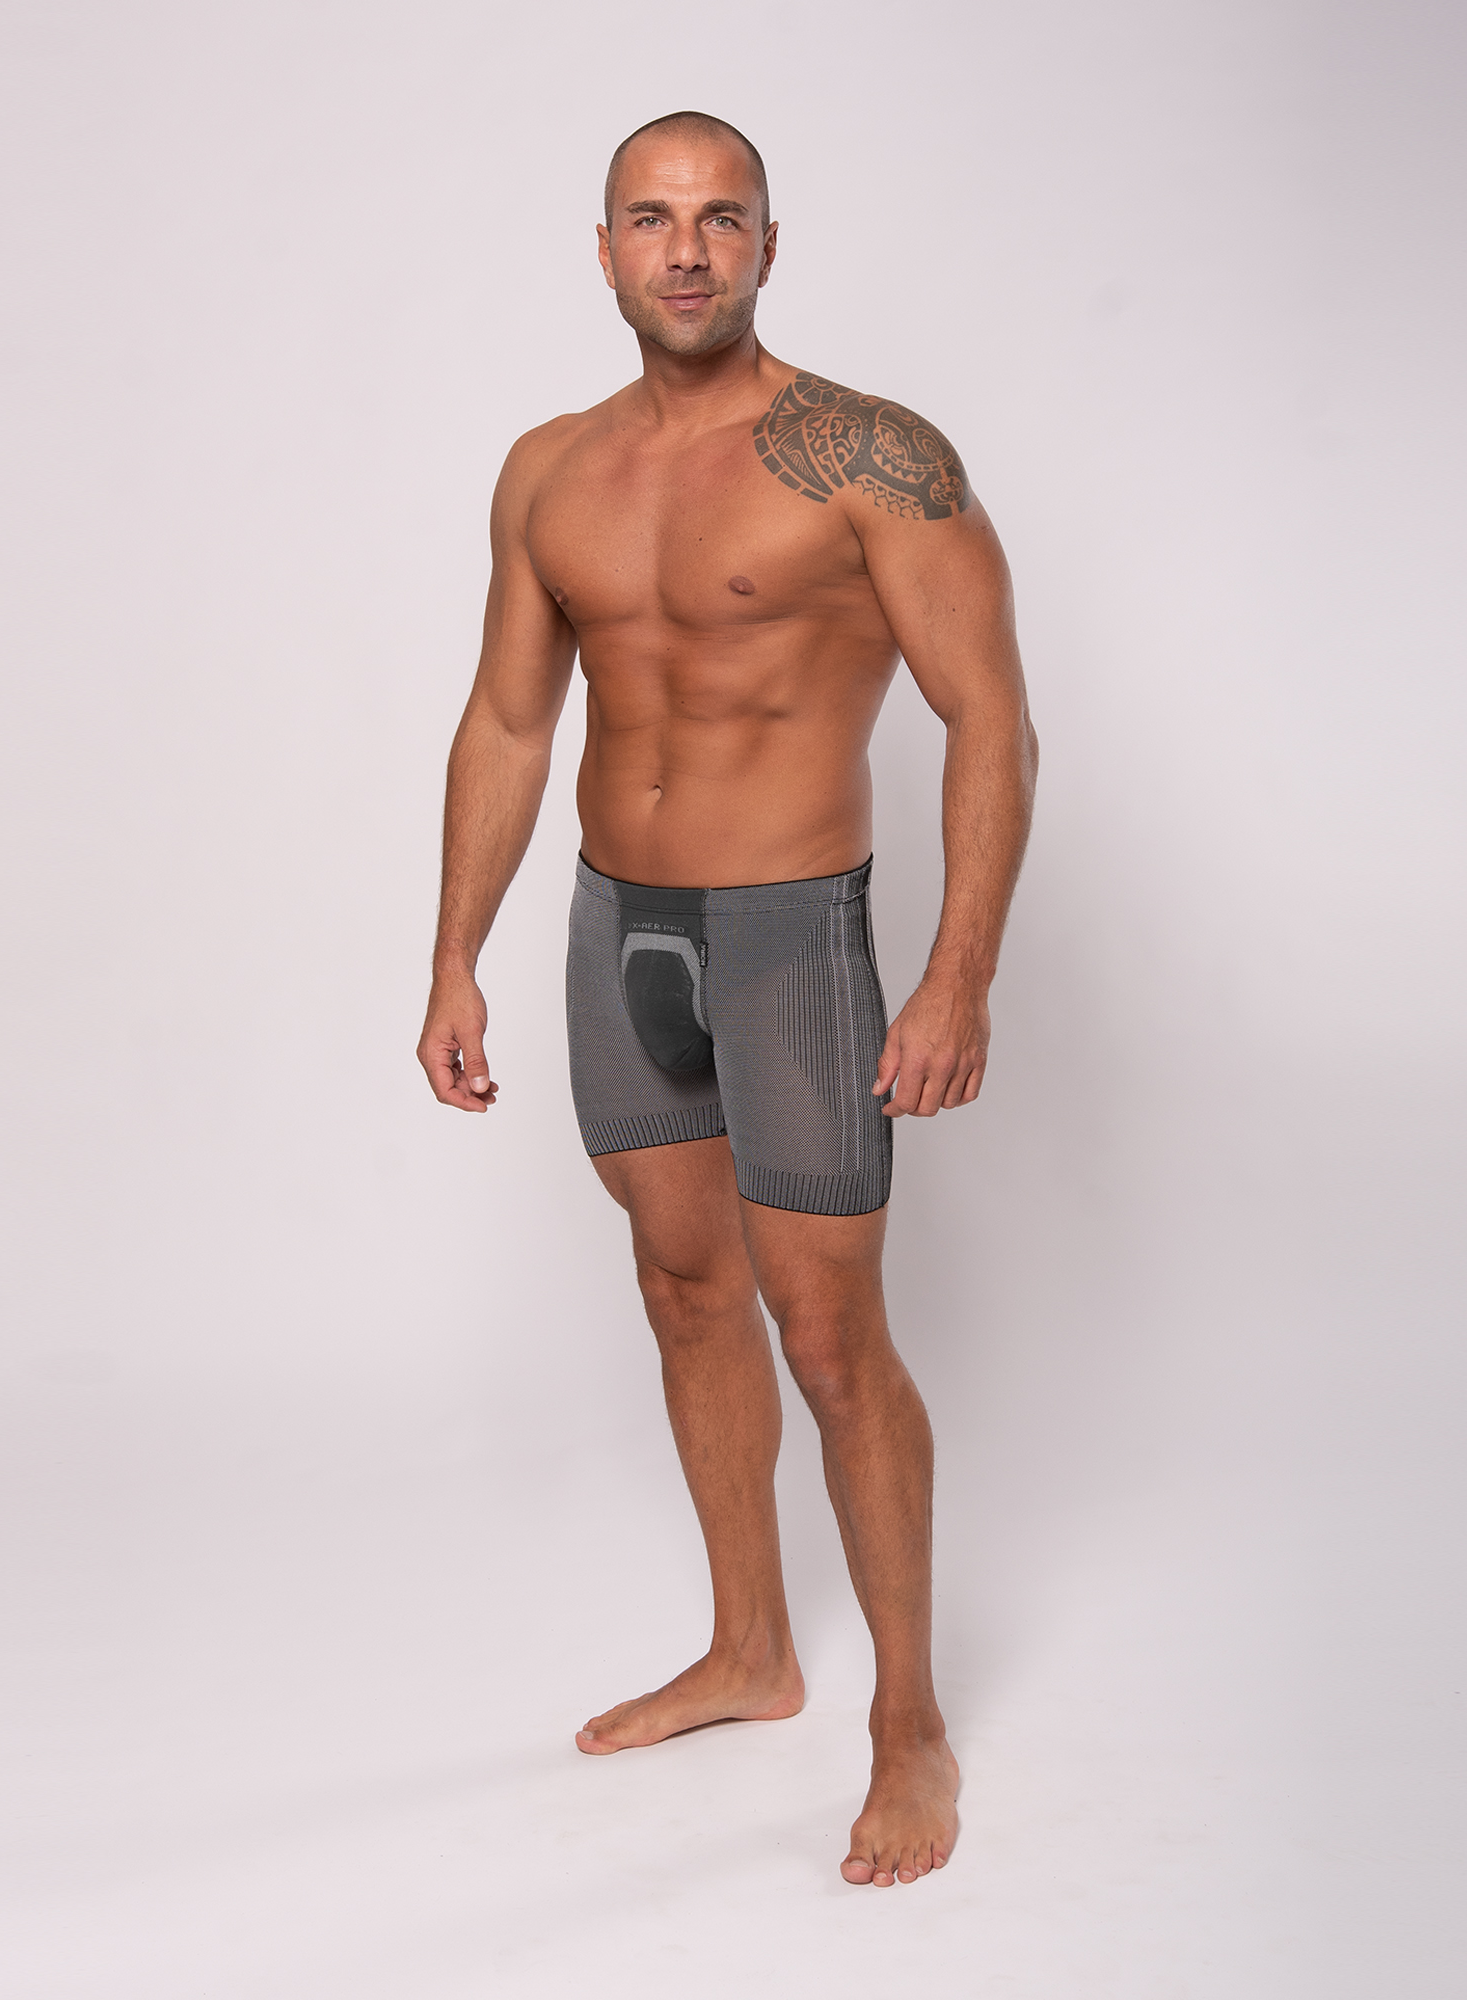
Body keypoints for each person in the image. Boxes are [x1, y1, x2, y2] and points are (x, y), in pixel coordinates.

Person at [418, 109, 1036, 1890]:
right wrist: (453, 951)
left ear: (769, 245)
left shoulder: (873, 459)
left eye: (720, 218)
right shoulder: (549, 470)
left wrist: (959, 972)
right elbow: (510, 721)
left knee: (829, 1338)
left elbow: (991, 718)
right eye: (651, 217)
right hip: (619, 927)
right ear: (606, 250)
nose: (685, 249)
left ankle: (908, 1721)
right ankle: (751, 1649)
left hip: (791, 938)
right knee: (685, 1291)